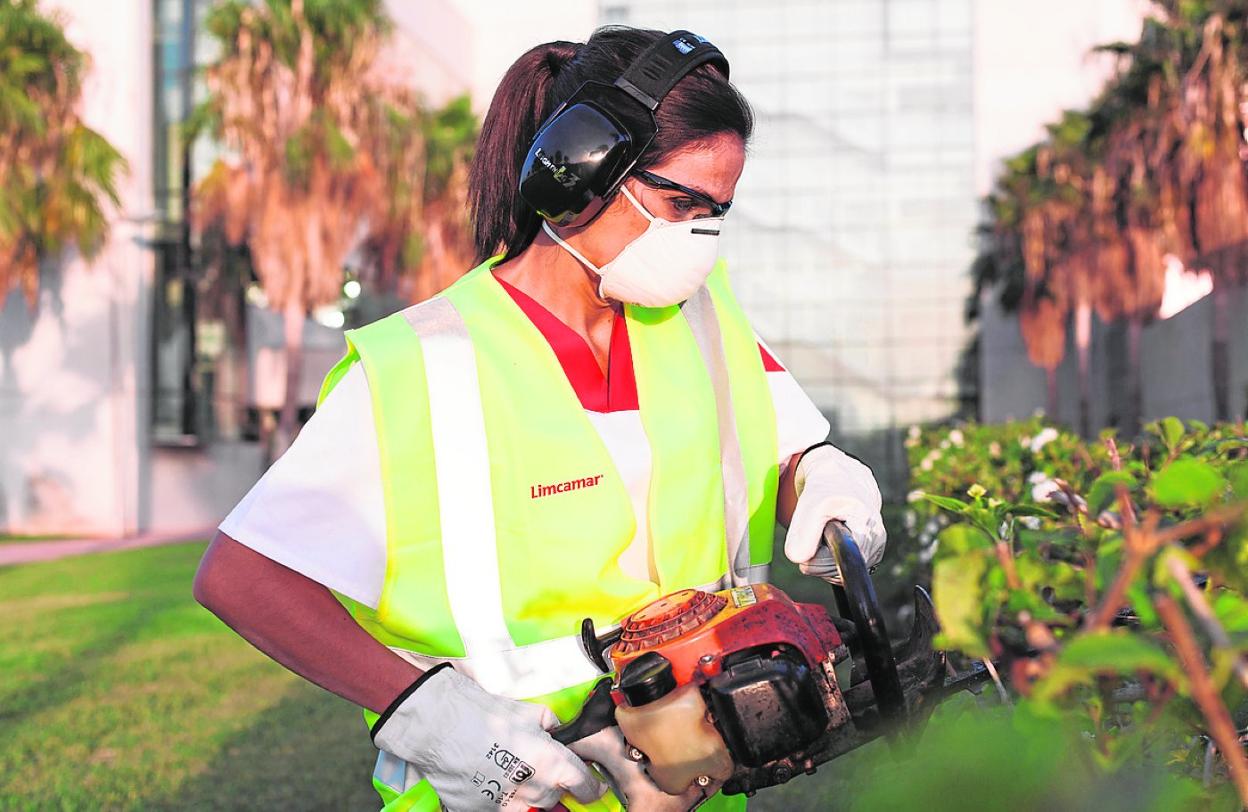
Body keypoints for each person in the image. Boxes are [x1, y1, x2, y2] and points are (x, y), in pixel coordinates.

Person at [194, 25, 886, 812]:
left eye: (718, 210)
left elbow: (787, 458)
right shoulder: (425, 365)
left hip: (693, 785)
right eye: (679, 200)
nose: (700, 235)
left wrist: (825, 481)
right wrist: (425, 716)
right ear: (580, 173)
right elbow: (242, 576)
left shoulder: (703, 321)